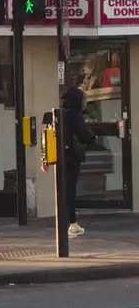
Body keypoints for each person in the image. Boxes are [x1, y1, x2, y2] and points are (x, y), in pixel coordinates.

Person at [62, 85, 101, 238]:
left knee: (64, 189)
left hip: (62, 156)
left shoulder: (62, 113)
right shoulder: (74, 115)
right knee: (70, 189)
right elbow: (84, 134)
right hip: (72, 155)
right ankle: (72, 224)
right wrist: (92, 138)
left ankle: (67, 222)